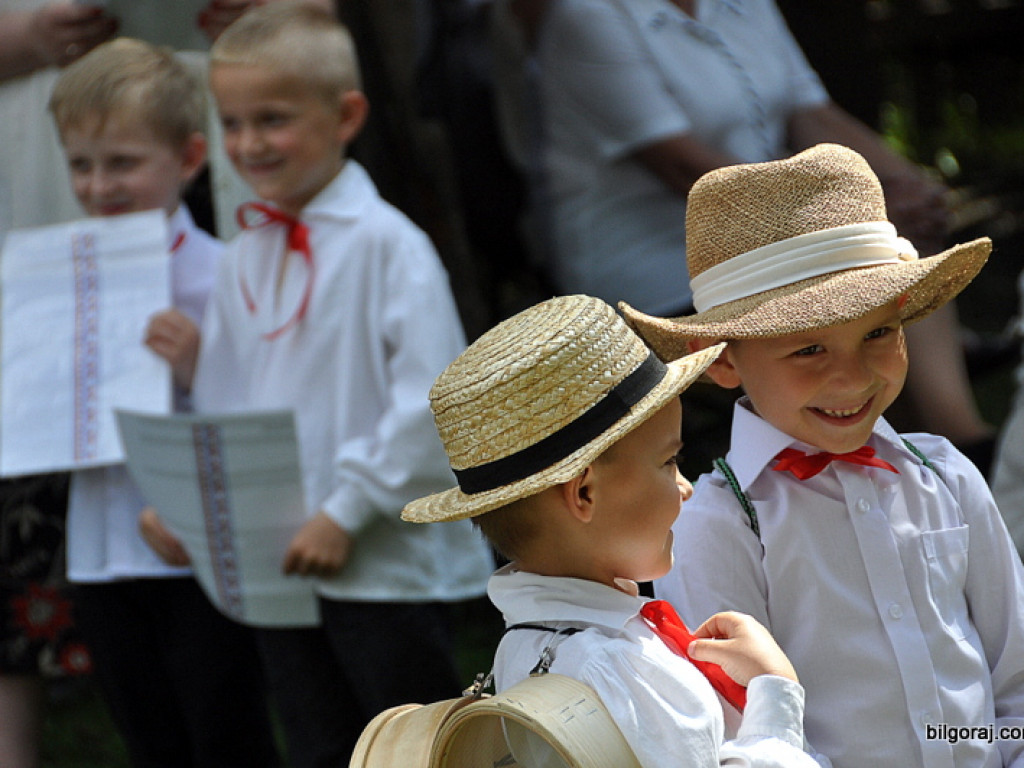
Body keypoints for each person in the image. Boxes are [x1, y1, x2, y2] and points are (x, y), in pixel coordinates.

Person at [140, 4, 496, 765]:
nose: (248, 144)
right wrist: (193, 507)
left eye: (272, 119)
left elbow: (431, 400)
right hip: (280, 567)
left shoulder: (388, 246)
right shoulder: (244, 254)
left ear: (346, 116)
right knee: (317, 744)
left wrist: (346, 510)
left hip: (382, 567)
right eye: (232, 123)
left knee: (413, 744)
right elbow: (228, 398)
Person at [622, 143, 1024, 768]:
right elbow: (740, 728)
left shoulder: (945, 475)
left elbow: (1013, 669)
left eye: (878, 333)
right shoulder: (719, 526)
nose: (853, 376)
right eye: (808, 350)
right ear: (722, 360)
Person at [400, 294, 821, 768]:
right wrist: (774, 695)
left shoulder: (523, 646)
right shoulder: (615, 664)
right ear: (584, 494)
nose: (685, 487)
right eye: (669, 462)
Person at [49, 38, 281, 768]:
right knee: (147, 736)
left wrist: (200, 367)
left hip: (199, 550)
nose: (98, 185)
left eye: (121, 162)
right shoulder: (57, 279)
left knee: (226, 733)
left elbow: (266, 409)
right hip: (100, 548)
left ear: (188, 159)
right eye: (81, 165)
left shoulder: (224, 274)